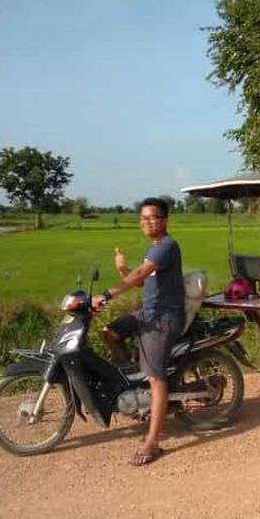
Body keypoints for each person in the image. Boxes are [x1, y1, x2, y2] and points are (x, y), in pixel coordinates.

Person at [91, 197, 185, 466]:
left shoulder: (166, 246)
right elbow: (145, 284)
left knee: (157, 379)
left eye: (152, 217)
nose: (146, 222)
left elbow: (142, 274)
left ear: (164, 220)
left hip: (164, 319)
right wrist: (122, 268)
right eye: (143, 218)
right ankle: (136, 385)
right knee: (109, 332)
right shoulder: (153, 248)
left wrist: (107, 294)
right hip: (147, 314)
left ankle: (153, 442)